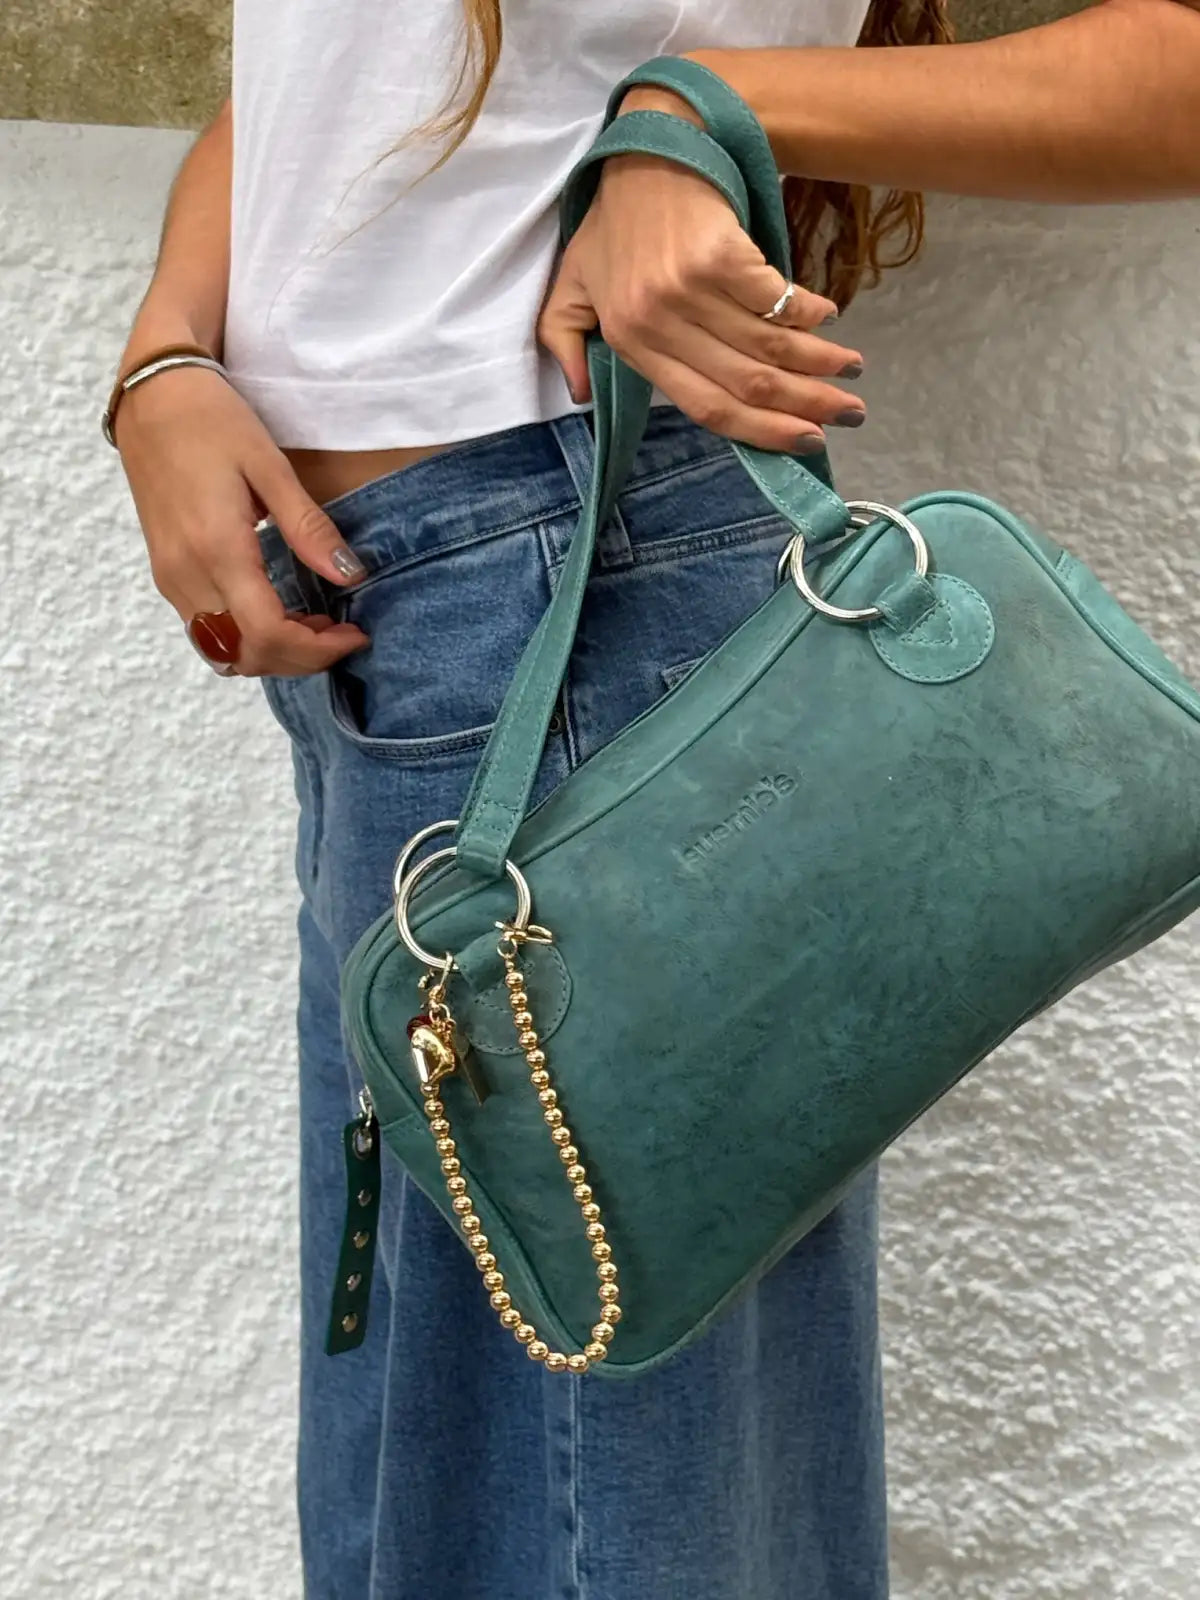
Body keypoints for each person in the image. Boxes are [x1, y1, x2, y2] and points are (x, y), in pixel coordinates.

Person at [109, 1, 1200, 1594]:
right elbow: (337, 91)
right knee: (462, 1495)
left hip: (571, 592)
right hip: (402, 636)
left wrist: (708, 103)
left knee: (577, 1511)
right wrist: (169, 348)